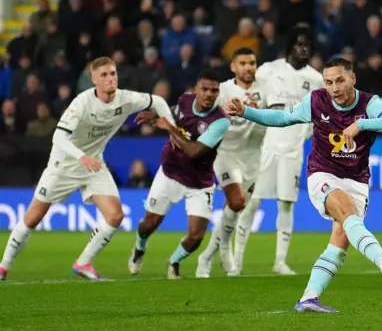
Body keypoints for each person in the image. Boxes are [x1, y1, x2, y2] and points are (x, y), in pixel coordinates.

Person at [225, 57, 382, 313]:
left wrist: (362, 124)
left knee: (340, 240)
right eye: (328, 82)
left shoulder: (370, 104)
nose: (334, 88)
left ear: (352, 79)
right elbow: (281, 118)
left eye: (339, 81)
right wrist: (247, 111)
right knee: (347, 213)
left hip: (357, 180)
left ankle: (308, 298)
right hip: (323, 174)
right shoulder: (316, 101)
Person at [0, 57, 175, 281]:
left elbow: (158, 101)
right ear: (94, 80)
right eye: (104, 75)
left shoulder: (126, 98)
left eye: (113, 73)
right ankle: (4, 266)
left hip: (93, 164)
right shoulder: (81, 103)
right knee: (33, 218)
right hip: (64, 164)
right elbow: (59, 137)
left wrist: (172, 129)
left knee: (115, 215)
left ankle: (83, 263)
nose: (110, 78)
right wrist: (81, 157)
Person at [232, 26, 323, 275]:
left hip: (293, 150)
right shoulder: (269, 70)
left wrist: (308, 133)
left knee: (286, 204)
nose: (303, 49)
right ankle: (236, 259)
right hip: (267, 146)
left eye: (307, 45)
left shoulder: (316, 79)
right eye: (299, 44)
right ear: (290, 46)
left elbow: (320, 115)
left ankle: (280, 261)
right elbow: (251, 94)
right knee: (252, 202)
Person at [127, 69, 230, 279]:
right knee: (149, 224)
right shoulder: (184, 101)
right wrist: (155, 116)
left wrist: (169, 129)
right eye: (205, 89)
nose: (209, 94)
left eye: (214, 90)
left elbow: (194, 151)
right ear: (196, 90)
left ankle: (174, 261)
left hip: (200, 182)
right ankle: (139, 248)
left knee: (196, 236)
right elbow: (172, 115)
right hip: (170, 173)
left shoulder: (220, 121)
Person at [196, 47, 269, 278]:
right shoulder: (224, 90)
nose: (248, 67)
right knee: (236, 201)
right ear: (233, 67)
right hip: (226, 153)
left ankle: (207, 256)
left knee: (235, 208)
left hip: (254, 157)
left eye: (252, 63)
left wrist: (259, 113)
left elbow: (278, 117)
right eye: (243, 63)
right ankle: (225, 247)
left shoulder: (266, 88)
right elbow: (201, 109)